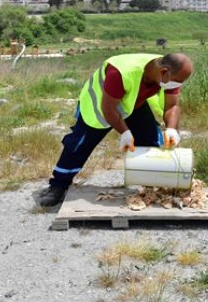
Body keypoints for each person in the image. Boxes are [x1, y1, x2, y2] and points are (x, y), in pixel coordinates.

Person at [38, 53, 193, 207]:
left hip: (132, 104)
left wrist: (171, 129)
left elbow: (172, 106)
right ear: (164, 72)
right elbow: (109, 108)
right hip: (100, 104)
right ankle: (58, 186)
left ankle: (149, 187)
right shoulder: (119, 73)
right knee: (79, 144)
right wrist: (125, 133)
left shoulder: (169, 71)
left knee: (150, 140)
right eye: (178, 81)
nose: (178, 85)